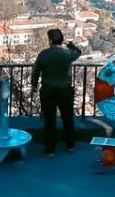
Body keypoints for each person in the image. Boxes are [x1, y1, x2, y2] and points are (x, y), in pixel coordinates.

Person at [30, 29, 82, 157]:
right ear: (61, 40)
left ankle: (50, 149)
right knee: (67, 118)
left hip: (48, 90)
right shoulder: (67, 54)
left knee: (49, 119)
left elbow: (36, 71)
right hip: (65, 90)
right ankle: (70, 145)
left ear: (50, 40)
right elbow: (78, 52)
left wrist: (34, 85)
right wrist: (70, 44)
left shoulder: (43, 55)